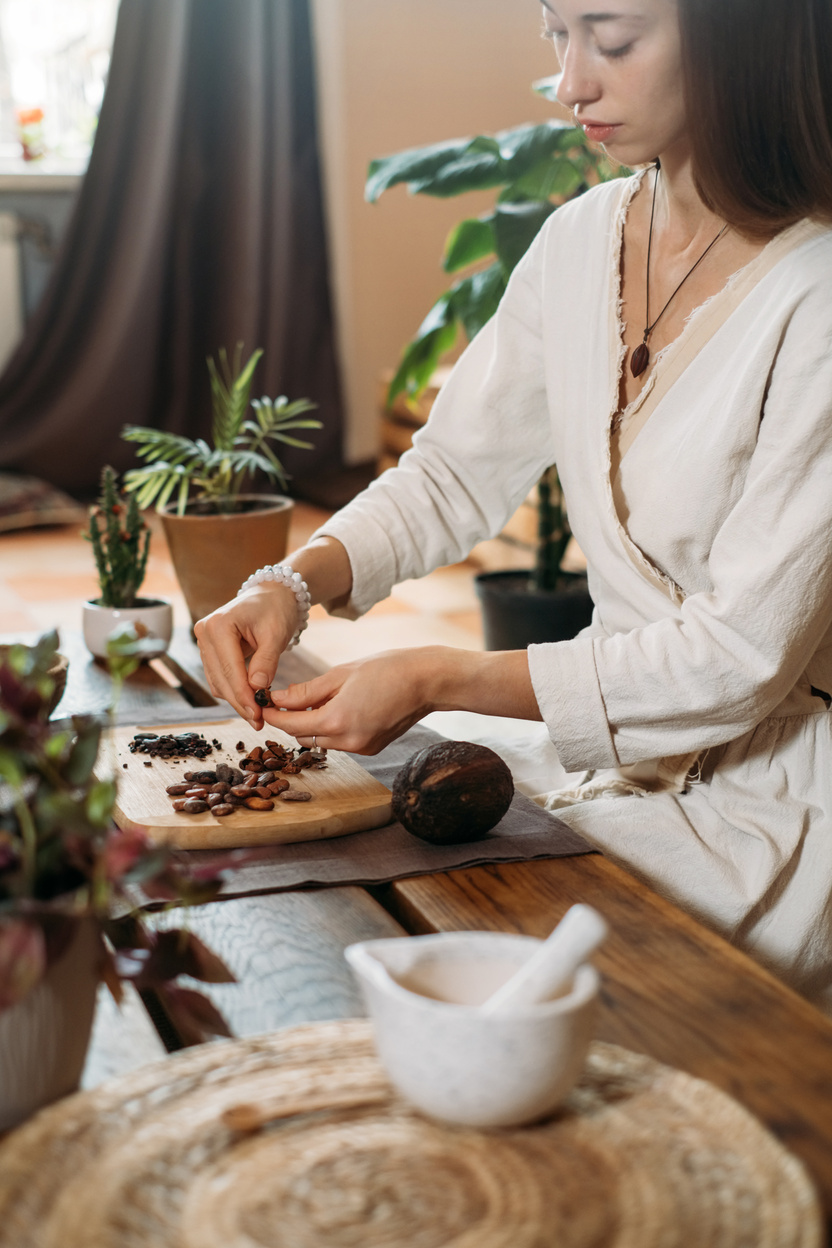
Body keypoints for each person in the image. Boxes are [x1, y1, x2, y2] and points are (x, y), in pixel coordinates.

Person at [195, 0, 832, 1009]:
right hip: (609, 771)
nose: (571, 81)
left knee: (448, 974)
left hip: (775, 812)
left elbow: (737, 661)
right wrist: (288, 584)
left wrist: (437, 675)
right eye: (555, 36)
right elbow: (451, 470)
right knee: (320, 903)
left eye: (611, 40)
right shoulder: (582, 239)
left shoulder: (816, 293)